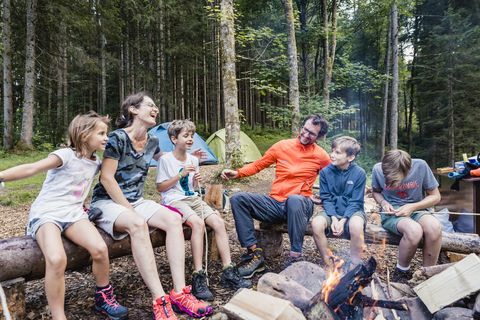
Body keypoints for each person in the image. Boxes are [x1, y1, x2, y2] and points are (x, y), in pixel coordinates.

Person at [90, 92, 213, 320]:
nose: (155, 109)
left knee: (174, 219)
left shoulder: (153, 141)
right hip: (108, 201)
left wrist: (187, 154)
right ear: (133, 110)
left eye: (155, 106)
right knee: (138, 224)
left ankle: (179, 293)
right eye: (149, 105)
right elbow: (106, 178)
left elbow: (165, 156)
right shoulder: (117, 138)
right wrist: (127, 207)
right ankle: (159, 299)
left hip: (136, 200)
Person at [0, 112, 128, 320]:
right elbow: (33, 168)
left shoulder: (96, 162)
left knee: (100, 249)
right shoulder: (65, 155)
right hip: (47, 213)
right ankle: (59, 316)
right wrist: (2, 176)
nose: (106, 137)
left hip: (74, 214)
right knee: (57, 258)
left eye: (107, 133)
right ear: (85, 134)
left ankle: (103, 296)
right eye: (101, 133)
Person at [221, 114, 331, 278]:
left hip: (300, 205)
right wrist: (237, 173)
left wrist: (326, 197)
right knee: (238, 199)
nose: (306, 135)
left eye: (312, 134)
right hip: (275, 203)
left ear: (319, 137)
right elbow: (259, 165)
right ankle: (255, 254)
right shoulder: (282, 146)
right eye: (305, 130)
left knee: (295, 199)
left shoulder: (321, 156)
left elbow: (332, 179)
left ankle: (295, 256)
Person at [156, 119, 251, 301]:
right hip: (174, 201)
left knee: (218, 223)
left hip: (192, 198)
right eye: (186, 136)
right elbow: (161, 188)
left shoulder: (193, 159)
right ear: (174, 139)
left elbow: (191, 187)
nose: (190, 139)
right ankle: (198, 275)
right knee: (198, 224)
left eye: (192, 135)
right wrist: (180, 175)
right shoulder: (166, 160)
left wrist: (195, 180)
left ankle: (228, 270)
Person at [371, 149, 442, 282]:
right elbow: (376, 192)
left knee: (434, 227)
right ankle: (402, 271)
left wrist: (413, 206)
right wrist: (384, 202)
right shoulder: (377, 169)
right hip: (392, 213)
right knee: (414, 230)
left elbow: (436, 196)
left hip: (418, 209)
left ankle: (427, 274)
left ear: (407, 170)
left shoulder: (420, 166)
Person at [311, 136, 366, 269]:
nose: (332, 155)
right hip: (332, 211)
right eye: (332, 151)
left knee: (357, 226)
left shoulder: (359, 173)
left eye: (337, 152)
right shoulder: (325, 172)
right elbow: (326, 198)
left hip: (353, 212)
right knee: (316, 223)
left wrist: (343, 220)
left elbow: (356, 201)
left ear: (350, 157)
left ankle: (354, 264)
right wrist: (334, 218)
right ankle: (328, 260)